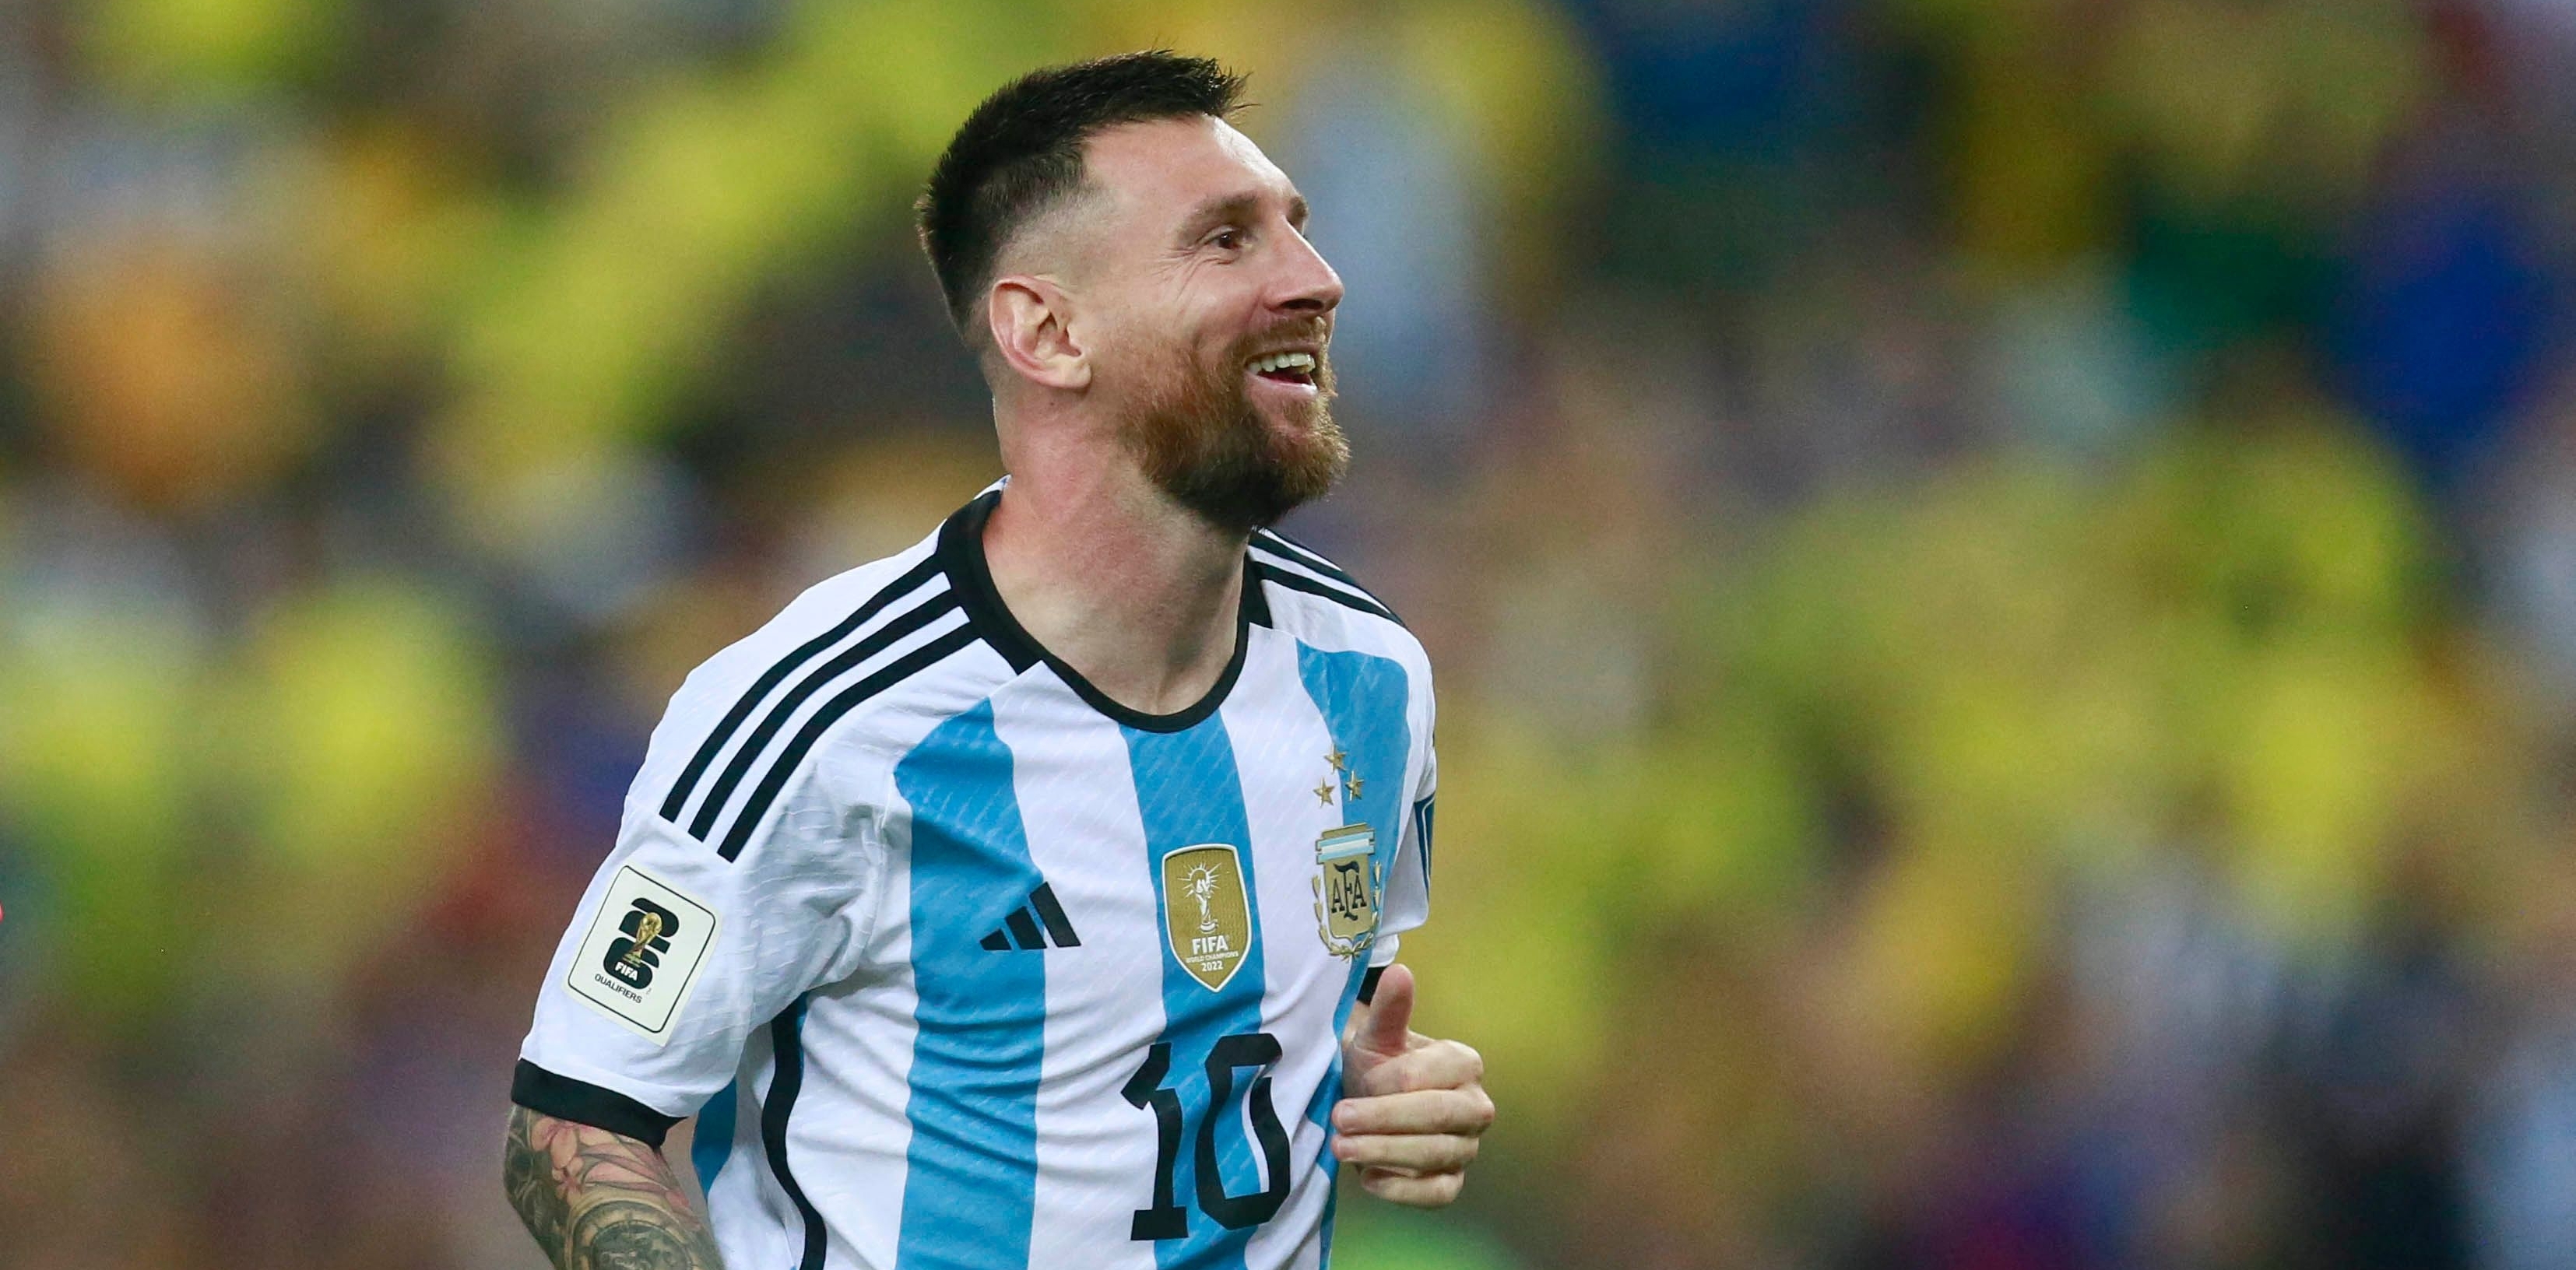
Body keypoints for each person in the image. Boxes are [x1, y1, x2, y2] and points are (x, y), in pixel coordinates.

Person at [501, 50, 1492, 1270]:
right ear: (1047, 329)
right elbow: (578, 1118)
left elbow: (1283, 1026)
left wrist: (1387, 1093)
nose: (1318, 280)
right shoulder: (821, 715)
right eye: (1227, 241)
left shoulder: (1372, 677)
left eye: (1297, 229)